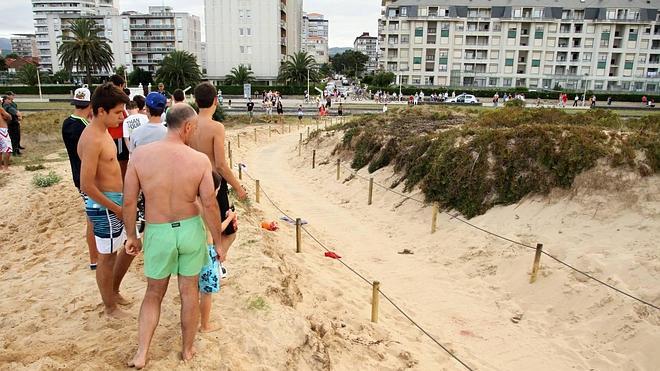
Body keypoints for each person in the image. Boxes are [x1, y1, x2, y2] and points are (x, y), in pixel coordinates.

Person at [123, 104, 226, 368]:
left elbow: (129, 202)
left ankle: (142, 352)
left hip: (158, 230)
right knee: (189, 292)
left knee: (153, 293)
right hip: (190, 229)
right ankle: (187, 349)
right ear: (188, 127)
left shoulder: (140, 156)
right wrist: (219, 241)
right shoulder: (199, 160)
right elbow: (210, 204)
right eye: (194, 129)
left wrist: (132, 236)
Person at [77, 83, 133, 318]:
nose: (123, 116)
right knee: (107, 257)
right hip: (105, 207)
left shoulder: (102, 133)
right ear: (101, 111)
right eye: (118, 112)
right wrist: (116, 208)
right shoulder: (92, 139)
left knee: (126, 249)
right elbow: (86, 185)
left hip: (114, 203)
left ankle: (114, 292)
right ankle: (109, 307)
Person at [190, 82, 247, 271]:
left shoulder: (188, 125)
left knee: (202, 229)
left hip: (192, 183)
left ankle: (209, 264)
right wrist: (238, 187)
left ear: (196, 101)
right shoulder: (216, 127)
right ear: (216, 100)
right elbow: (221, 165)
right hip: (214, 183)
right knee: (229, 232)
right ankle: (215, 265)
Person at [62, 86, 98, 269]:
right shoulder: (86, 128)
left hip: (77, 176)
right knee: (92, 219)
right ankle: (95, 259)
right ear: (90, 105)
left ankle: (94, 257)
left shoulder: (67, 123)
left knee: (90, 217)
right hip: (89, 178)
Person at [108, 75, 129, 178]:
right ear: (121, 85)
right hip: (118, 135)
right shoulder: (116, 99)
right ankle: (122, 186)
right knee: (122, 162)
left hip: (110, 135)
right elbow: (118, 118)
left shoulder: (106, 97)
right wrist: (127, 120)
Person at [2, 92, 22, 156]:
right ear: (5, 100)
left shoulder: (6, 105)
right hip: (12, 123)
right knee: (14, 138)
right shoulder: (7, 106)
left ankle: (15, 150)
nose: (10, 100)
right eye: (9, 99)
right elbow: (16, 113)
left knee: (15, 137)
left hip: (11, 123)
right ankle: (14, 152)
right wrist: (19, 116)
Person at [0, 105, 12, 170]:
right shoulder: (0, 109)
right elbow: (9, 117)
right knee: (7, 148)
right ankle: (6, 167)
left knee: (0, 149)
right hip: (2, 130)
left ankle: (0, 167)